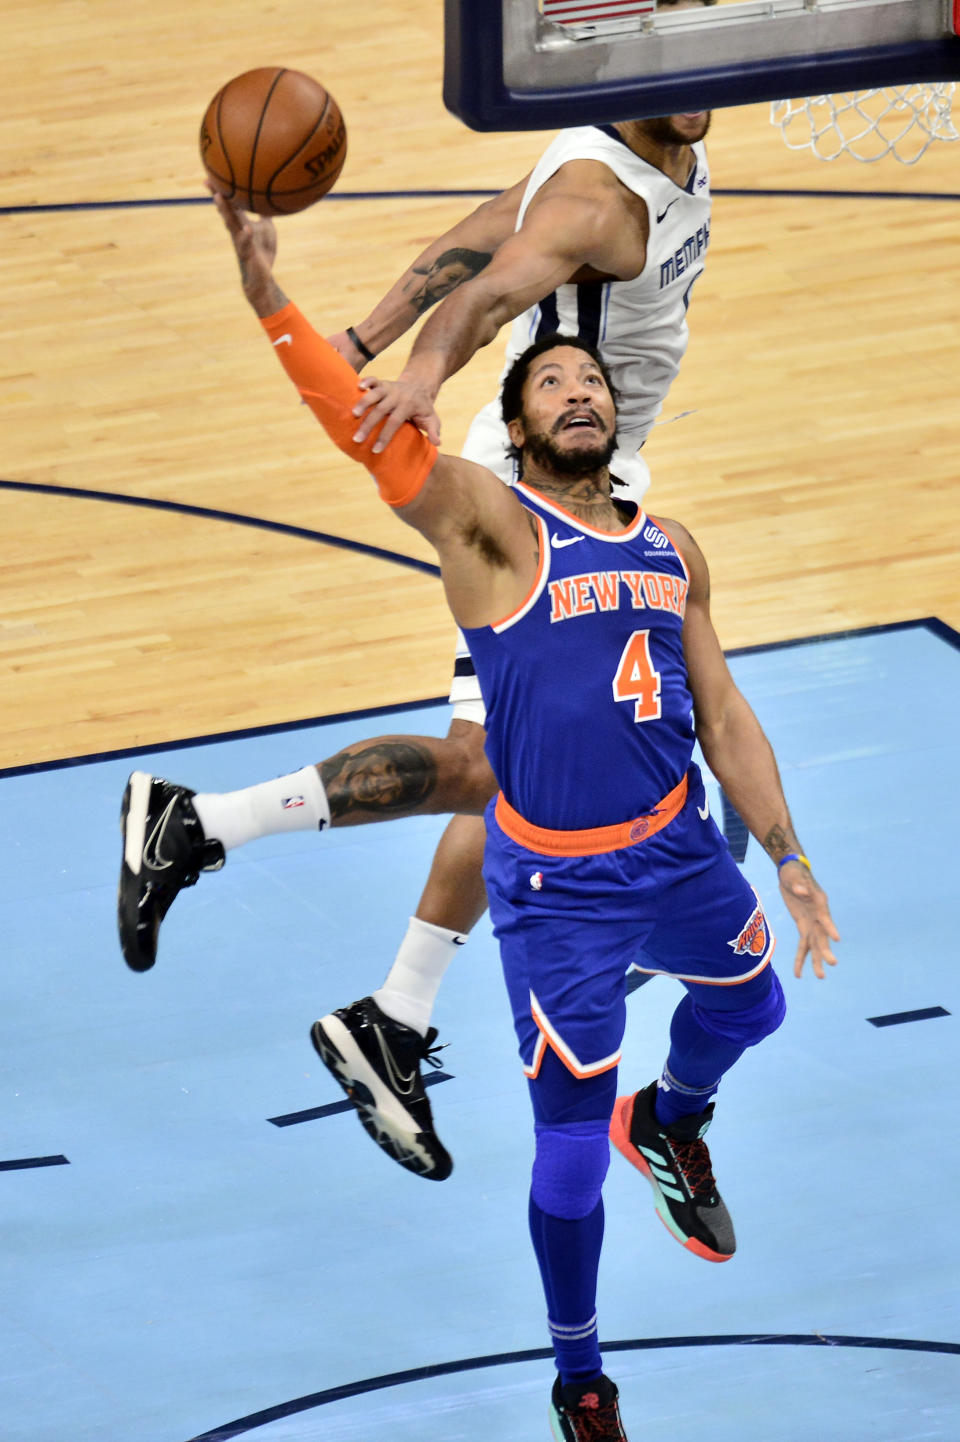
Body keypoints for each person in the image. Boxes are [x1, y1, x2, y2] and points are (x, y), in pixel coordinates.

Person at [119, 195, 838, 1442]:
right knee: (565, 1159)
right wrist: (271, 306)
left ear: (616, 417)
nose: (575, 390)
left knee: (755, 1003)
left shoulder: (673, 548)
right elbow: (361, 427)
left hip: (677, 851)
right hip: (557, 890)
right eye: (548, 381)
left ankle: (668, 1120)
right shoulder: (493, 529)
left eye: (588, 380)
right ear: (513, 426)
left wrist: (791, 856)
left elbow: (725, 717)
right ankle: (582, 1378)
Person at [119, 68, 720, 1185]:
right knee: (503, 772)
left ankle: (362, 985)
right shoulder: (600, 196)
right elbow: (493, 287)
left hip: (596, 479)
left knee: (501, 776)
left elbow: (483, 227)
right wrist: (426, 370)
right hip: (539, 498)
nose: (693, 90)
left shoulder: (613, 153)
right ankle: (207, 833)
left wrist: (360, 332)